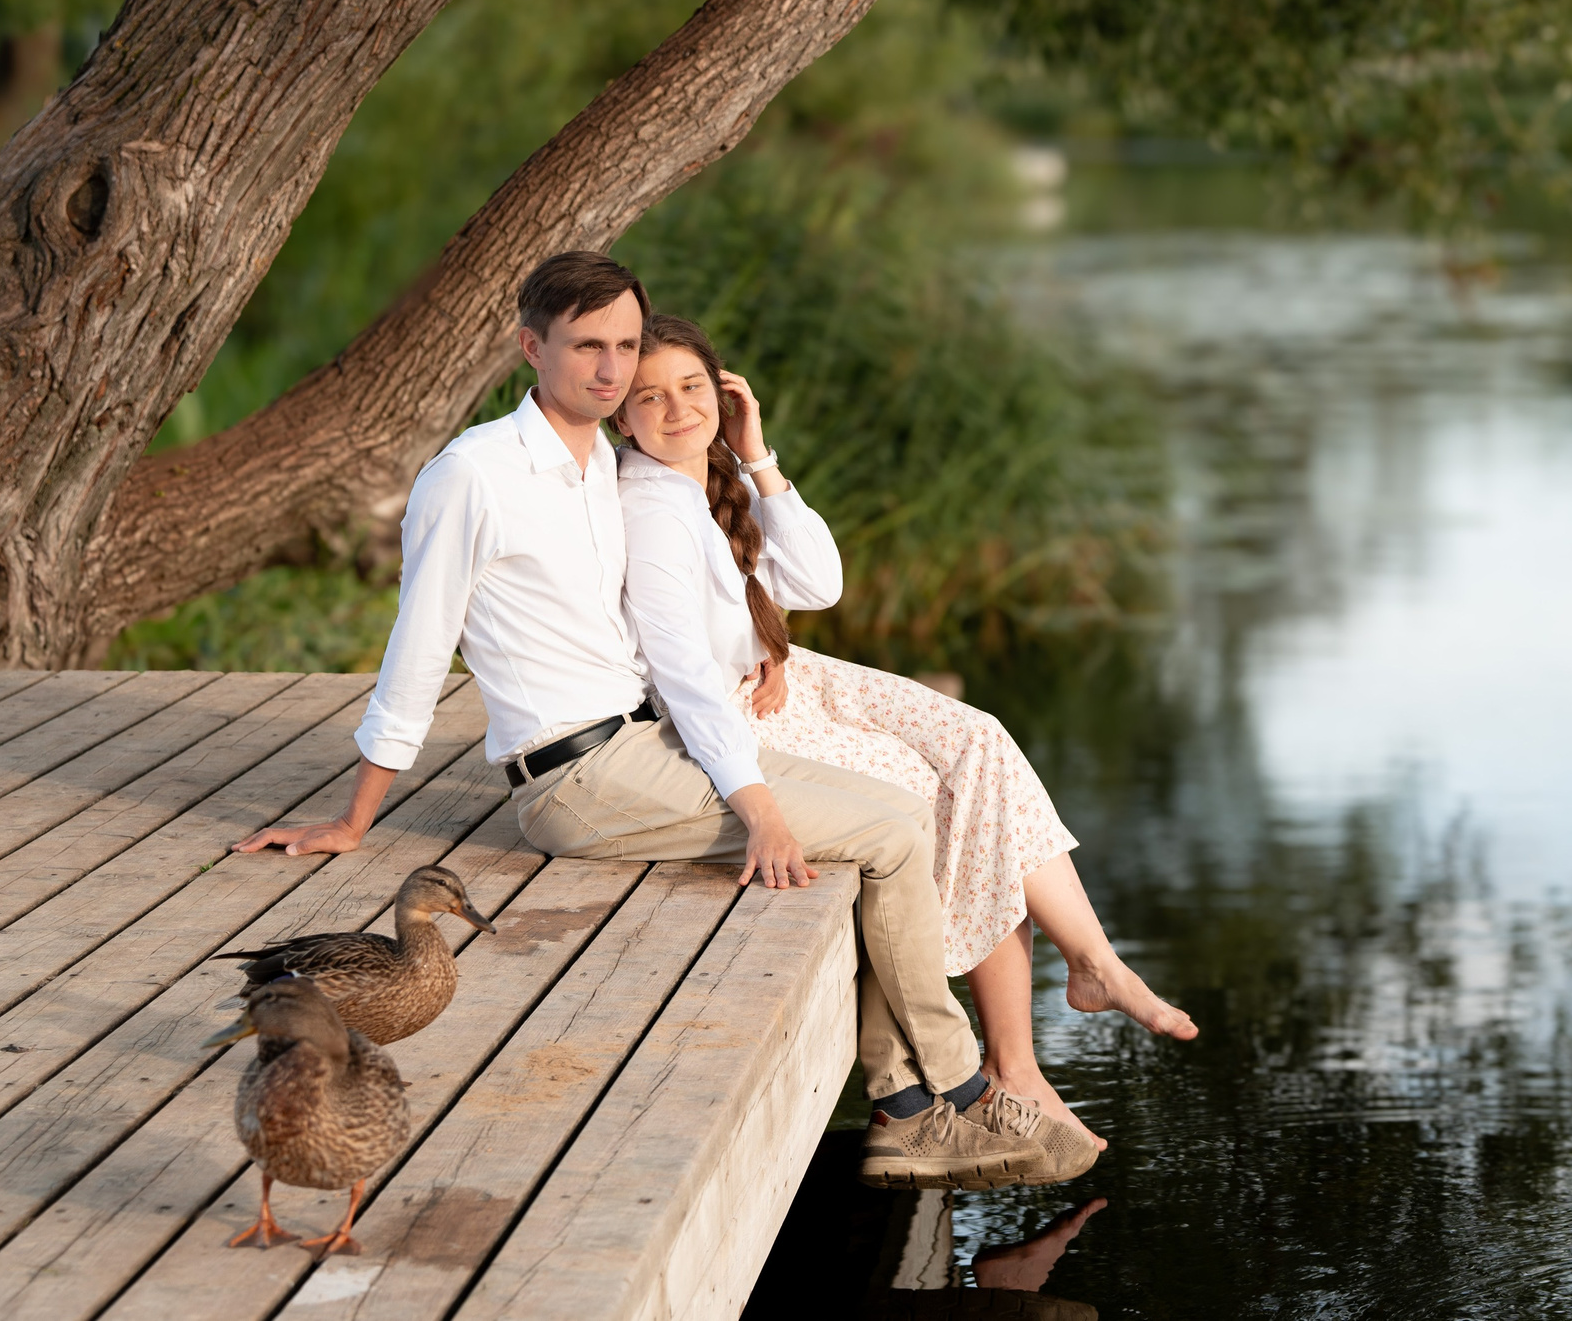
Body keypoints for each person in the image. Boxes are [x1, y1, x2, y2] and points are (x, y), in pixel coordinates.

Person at [234, 251, 1082, 1190]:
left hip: (646, 743)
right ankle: (953, 1096)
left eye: (625, 346)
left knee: (894, 812)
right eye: (588, 345)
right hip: (579, 778)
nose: (609, 368)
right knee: (888, 829)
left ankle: (906, 1105)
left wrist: (752, 646)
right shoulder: (473, 475)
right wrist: (356, 816)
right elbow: (418, 647)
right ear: (531, 346)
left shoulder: (611, 467)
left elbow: (673, 630)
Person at [609, 314, 1195, 1149]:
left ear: (724, 389)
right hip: (734, 716)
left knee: (978, 741)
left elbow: (818, 580)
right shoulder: (652, 506)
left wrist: (757, 457)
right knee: (930, 792)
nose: (675, 409)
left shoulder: (706, 478)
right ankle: (1021, 1057)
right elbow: (682, 673)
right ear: (620, 417)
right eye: (649, 397)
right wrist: (757, 791)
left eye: (692, 387)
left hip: (784, 674)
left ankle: (1088, 972)